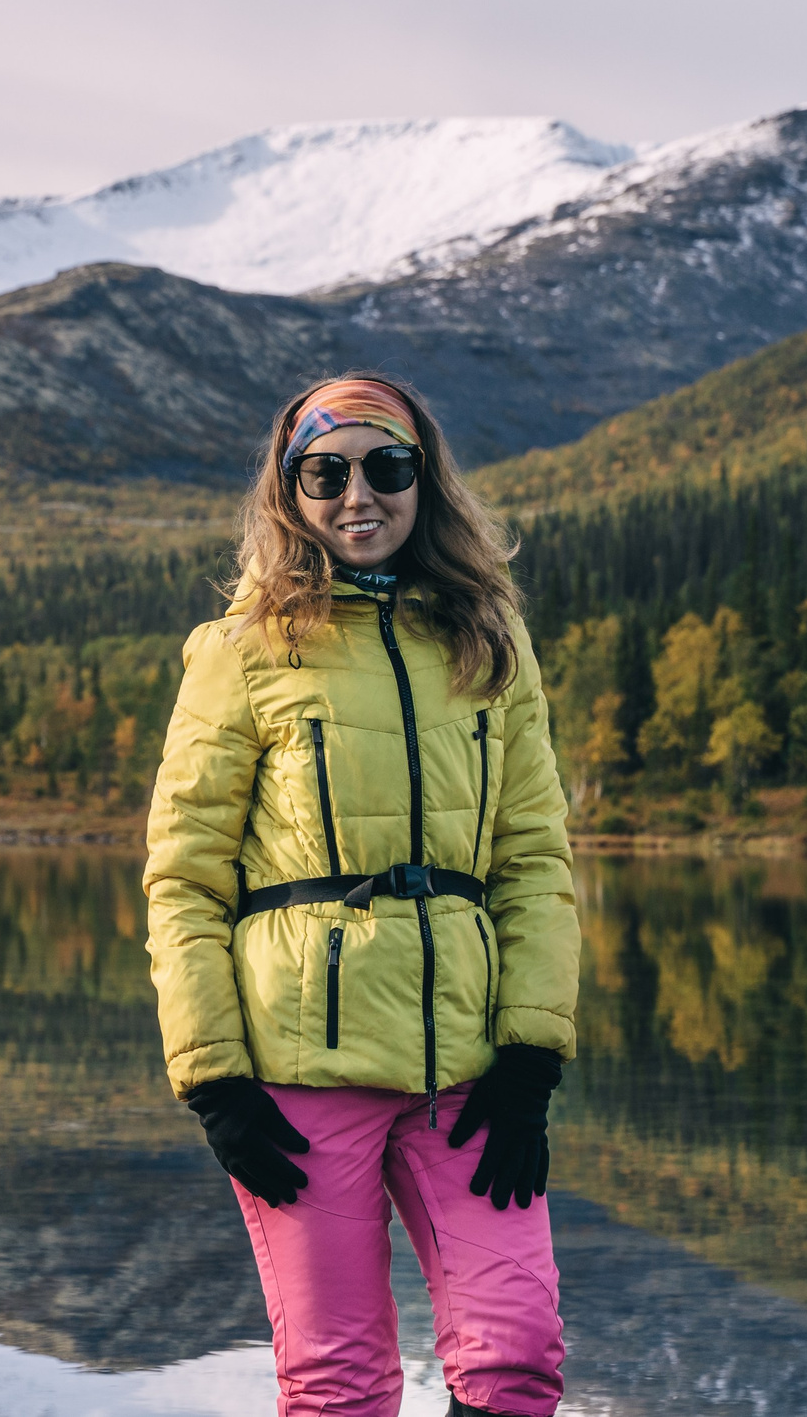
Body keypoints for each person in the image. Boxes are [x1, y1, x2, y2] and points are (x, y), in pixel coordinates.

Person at [144, 374, 579, 1417]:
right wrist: (213, 1083)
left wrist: (530, 1057)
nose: (357, 496)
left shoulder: (489, 642)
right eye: (324, 473)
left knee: (517, 1359)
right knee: (337, 1386)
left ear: (424, 479)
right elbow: (184, 881)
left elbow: (534, 862)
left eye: (387, 468)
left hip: (469, 1070)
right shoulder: (239, 652)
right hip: (295, 1077)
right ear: (288, 493)